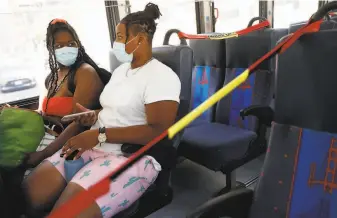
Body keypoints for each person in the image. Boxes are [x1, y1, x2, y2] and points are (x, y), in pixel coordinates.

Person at [22, 3, 181, 218]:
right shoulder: (121, 71)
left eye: (119, 37)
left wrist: (99, 134)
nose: (115, 43)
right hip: (93, 142)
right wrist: (93, 116)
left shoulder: (162, 76)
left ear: (140, 40)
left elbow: (157, 131)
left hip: (129, 155)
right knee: (28, 195)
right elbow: (112, 110)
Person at [23, 18, 105, 169]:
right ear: (51, 49)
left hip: (66, 144)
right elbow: (44, 113)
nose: (66, 49)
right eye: (59, 46)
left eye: (71, 44)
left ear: (78, 45)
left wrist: (43, 154)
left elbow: (78, 124)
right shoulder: (52, 77)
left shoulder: (84, 73)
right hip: (45, 135)